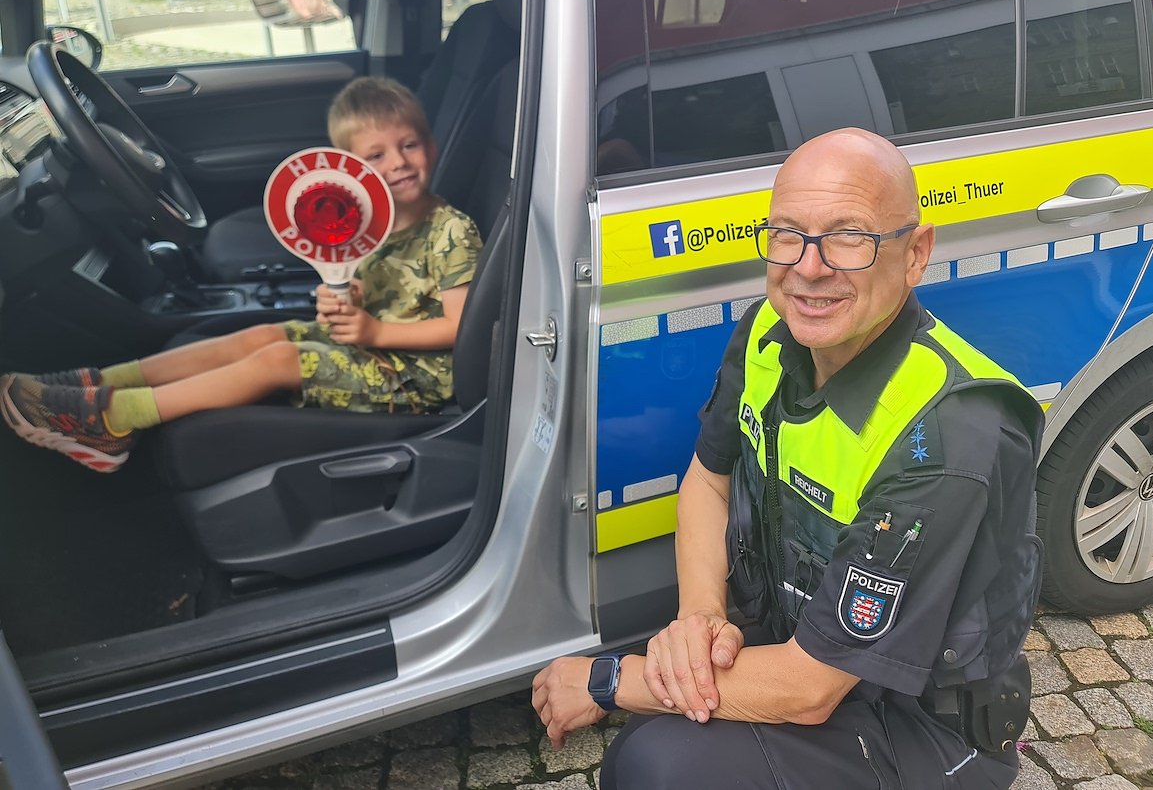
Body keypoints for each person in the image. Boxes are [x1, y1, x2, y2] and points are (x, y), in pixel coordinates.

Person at [531, 129, 1044, 789]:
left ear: (915, 253)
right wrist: (700, 618)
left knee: (659, 764)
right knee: (655, 740)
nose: (809, 266)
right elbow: (708, 484)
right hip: (803, 648)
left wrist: (608, 681)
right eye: (788, 234)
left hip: (919, 726)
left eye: (849, 237)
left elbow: (808, 690)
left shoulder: (947, 431)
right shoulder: (767, 337)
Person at [0, 77, 483, 474]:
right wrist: (348, 301)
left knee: (276, 359)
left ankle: (112, 422)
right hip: (375, 346)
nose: (398, 162)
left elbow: (461, 325)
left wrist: (375, 331)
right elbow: (380, 293)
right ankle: (96, 384)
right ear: (352, 170)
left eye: (409, 145)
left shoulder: (451, 230)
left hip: (413, 381)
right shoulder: (370, 222)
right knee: (261, 335)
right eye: (377, 156)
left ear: (431, 145)